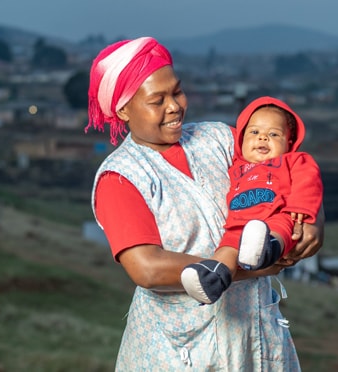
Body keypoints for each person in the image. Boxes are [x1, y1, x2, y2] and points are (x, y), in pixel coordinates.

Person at [87, 36, 324, 371]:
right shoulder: (121, 177)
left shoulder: (218, 138)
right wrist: (247, 267)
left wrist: (314, 218)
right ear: (123, 109)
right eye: (157, 100)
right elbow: (148, 269)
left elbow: (286, 169)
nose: (174, 106)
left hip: (255, 339)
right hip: (180, 352)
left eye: (177, 91)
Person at [181, 96, 323, 304]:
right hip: (238, 224)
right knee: (226, 250)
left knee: (281, 231)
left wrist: (301, 209)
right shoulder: (235, 165)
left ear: (289, 142)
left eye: (273, 134)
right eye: (254, 132)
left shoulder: (293, 160)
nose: (263, 138)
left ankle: (267, 249)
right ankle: (210, 279)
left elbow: (309, 182)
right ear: (242, 139)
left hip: (276, 214)